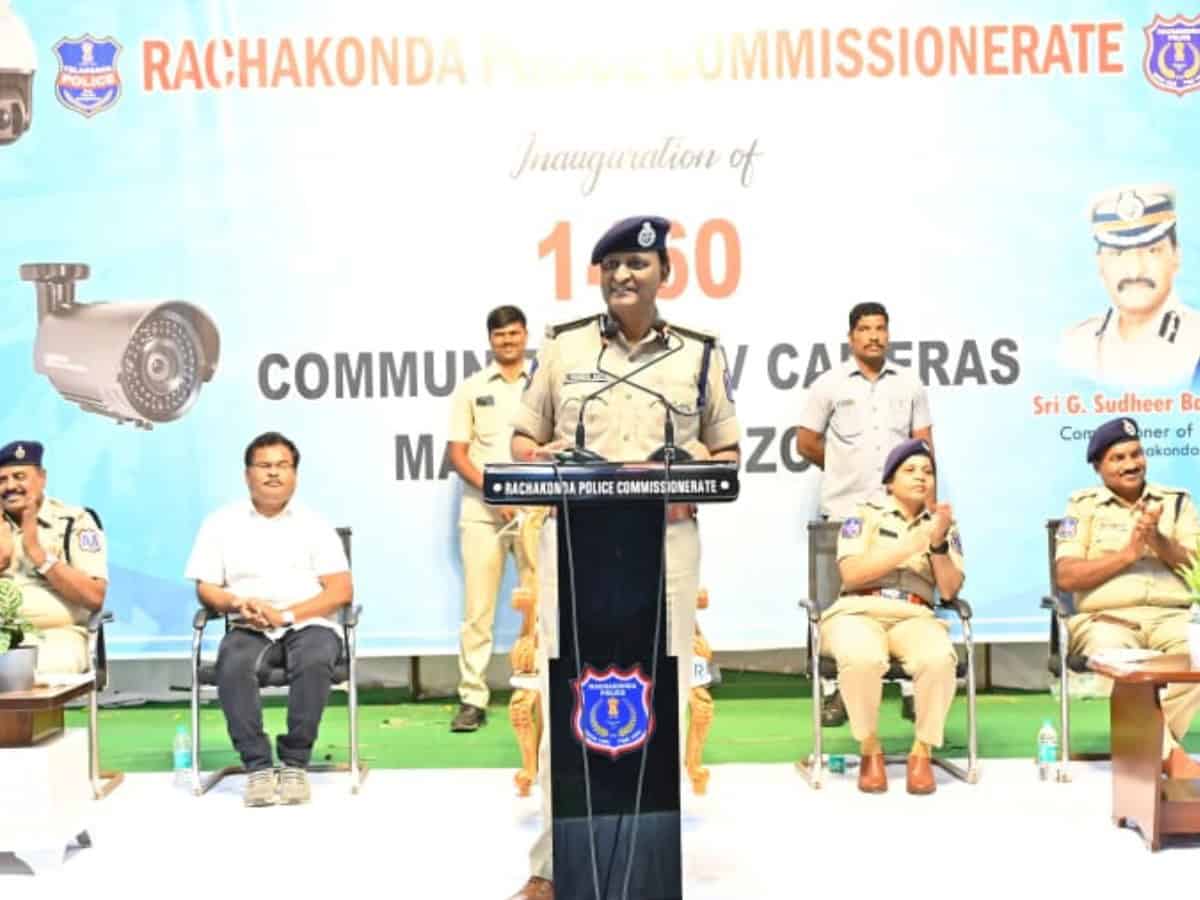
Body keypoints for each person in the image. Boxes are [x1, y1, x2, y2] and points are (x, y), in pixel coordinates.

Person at [503, 216, 741, 900]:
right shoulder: (563, 347)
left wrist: (696, 465)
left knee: (660, 695)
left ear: (665, 272)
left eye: (636, 264)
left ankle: (648, 865)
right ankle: (552, 867)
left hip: (665, 543)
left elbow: (728, 453)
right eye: (610, 266)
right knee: (567, 697)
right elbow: (522, 441)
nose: (622, 275)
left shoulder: (699, 354)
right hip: (576, 543)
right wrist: (540, 455)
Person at [184, 432, 353, 807]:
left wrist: (286, 615)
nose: (273, 473)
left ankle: (295, 763)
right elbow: (206, 588)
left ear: (295, 474)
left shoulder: (315, 524)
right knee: (233, 664)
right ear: (248, 474)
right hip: (249, 624)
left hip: (308, 622)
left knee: (315, 659)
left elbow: (341, 591)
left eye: (282, 466)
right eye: (264, 466)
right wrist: (237, 603)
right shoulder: (220, 523)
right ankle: (257, 766)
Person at [795, 302, 935, 725]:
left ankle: (912, 690)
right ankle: (835, 692)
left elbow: (923, 445)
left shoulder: (910, 384)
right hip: (845, 509)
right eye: (864, 329)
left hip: (901, 511)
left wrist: (927, 505)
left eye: (880, 329)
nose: (873, 336)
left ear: (888, 334)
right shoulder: (829, 384)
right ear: (851, 337)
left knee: (909, 588)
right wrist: (841, 468)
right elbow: (806, 442)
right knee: (837, 601)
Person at [1053, 417, 1200, 778]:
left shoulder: (1176, 502)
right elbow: (1066, 576)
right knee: (1118, 663)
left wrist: (1158, 541)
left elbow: (1196, 565)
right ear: (1098, 467)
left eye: (1136, 454)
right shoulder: (1083, 507)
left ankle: (1152, 746)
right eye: (1118, 458)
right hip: (1107, 621)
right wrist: (1128, 555)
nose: (1131, 464)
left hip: (1173, 617)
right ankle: (1170, 755)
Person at [822, 438, 963, 795]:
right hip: (858, 609)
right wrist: (911, 544)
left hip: (914, 613)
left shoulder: (943, 525)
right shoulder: (864, 515)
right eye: (910, 470)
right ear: (889, 481)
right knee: (862, 659)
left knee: (938, 659)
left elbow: (949, 591)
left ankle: (922, 751)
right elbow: (852, 573)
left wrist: (937, 543)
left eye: (928, 471)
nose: (921, 477)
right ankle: (870, 748)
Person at [448, 305, 533, 733]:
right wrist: (496, 492)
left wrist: (526, 495)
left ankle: (542, 687)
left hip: (535, 510)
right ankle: (472, 698)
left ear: (525, 335)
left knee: (541, 604)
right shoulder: (471, 388)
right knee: (478, 611)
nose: (507, 341)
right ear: (490, 340)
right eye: (500, 335)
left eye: (514, 333)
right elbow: (458, 454)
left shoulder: (543, 385)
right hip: (483, 511)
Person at [1060, 184, 1200, 387]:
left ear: (1176, 255)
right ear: (1100, 263)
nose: (1135, 271)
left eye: (1152, 250)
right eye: (1117, 253)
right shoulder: (1076, 345)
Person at [0, 441, 107, 673]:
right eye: (2, 480)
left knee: (29, 671)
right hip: (2, 637)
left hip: (56, 636)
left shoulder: (73, 521)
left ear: (42, 478)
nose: (10, 486)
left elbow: (94, 597)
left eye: (19, 477)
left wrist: (38, 554)